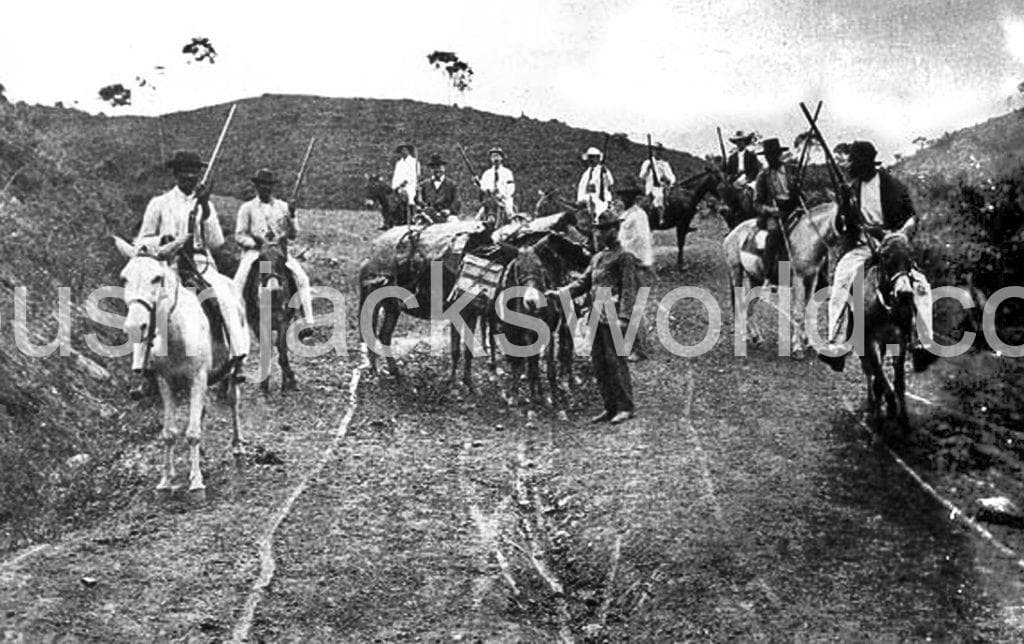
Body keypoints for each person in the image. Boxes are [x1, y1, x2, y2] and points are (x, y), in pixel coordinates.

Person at [130, 150, 248, 399]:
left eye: (194, 172)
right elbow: (142, 240)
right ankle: (143, 369)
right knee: (148, 308)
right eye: (184, 171)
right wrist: (163, 240)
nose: (189, 177)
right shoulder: (159, 204)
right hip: (167, 265)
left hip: (199, 263)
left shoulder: (205, 203)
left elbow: (216, 242)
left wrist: (205, 209)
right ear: (175, 174)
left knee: (224, 299)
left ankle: (235, 358)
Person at [819, 140, 936, 372]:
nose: (852, 167)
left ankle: (924, 343)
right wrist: (845, 209)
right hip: (862, 247)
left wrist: (895, 236)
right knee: (841, 280)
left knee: (921, 286)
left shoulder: (893, 187)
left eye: (856, 163)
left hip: (892, 246)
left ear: (867, 163)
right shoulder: (852, 189)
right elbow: (843, 227)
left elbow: (911, 218)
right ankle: (836, 343)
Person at [552, 208, 639, 424]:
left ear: (616, 230)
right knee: (599, 361)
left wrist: (625, 317)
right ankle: (609, 406)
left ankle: (625, 406)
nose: (602, 234)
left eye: (607, 230)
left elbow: (629, 288)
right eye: (600, 230)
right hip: (597, 313)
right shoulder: (598, 257)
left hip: (613, 313)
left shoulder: (624, 257)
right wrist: (562, 292)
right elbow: (584, 282)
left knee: (615, 359)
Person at [233, 168, 315, 339]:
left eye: (268, 185)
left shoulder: (284, 207)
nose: (265, 188)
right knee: (238, 282)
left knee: (301, 278)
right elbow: (239, 235)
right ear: (256, 186)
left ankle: (306, 320)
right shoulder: (247, 208)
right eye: (262, 184)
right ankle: (238, 321)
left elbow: (293, 234)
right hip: (257, 254)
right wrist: (255, 243)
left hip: (279, 253)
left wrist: (292, 215)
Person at [615, 175, 653, 362]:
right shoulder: (626, 215)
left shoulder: (638, 216)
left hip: (636, 262)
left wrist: (619, 249)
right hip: (628, 262)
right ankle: (630, 345)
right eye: (622, 196)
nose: (623, 199)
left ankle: (640, 349)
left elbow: (638, 240)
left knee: (636, 306)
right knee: (628, 304)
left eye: (627, 196)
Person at [753, 137, 799, 287]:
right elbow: (757, 203)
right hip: (775, 213)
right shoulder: (763, 176)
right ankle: (769, 276)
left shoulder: (791, 170)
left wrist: (799, 200)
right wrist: (771, 210)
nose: (770, 158)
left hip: (793, 209)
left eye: (772, 154)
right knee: (774, 237)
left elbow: (798, 193)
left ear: (778, 154)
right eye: (767, 156)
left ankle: (820, 276)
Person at [638, 142, 676, 225]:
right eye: (656, 150)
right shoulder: (647, 163)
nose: (658, 152)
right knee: (659, 196)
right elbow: (641, 176)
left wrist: (668, 179)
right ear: (653, 151)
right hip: (652, 187)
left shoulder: (665, 164)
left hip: (664, 187)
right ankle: (660, 218)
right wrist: (647, 169)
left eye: (660, 150)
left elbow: (672, 178)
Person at [477, 146, 515, 224]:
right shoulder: (487, 173)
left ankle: (513, 225)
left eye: (498, 156)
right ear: (490, 159)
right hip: (491, 199)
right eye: (493, 156)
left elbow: (511, 187)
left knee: (509, 212)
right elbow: (483, 187)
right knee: (478, 216)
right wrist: (479, 184)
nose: (495, 159)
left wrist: (502, 195)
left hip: (504, 199)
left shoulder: (507, 172)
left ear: (501, 158)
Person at [417, 154, 460, 220]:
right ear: (430, 169)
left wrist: (449, 210)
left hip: (446, 216)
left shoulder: (452, 185)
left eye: (439, 166)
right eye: (434, 167)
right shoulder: (423, 185)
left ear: (444, 168)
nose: (437, 169)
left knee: (453, 222)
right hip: (428, 217)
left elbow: (457, 201)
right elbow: (418, 201)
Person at [576, 146, 614, 217]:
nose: (592, 160)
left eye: (594, 157)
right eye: (590, 157)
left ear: (598, 158)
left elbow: (610, 182)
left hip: (601, 202)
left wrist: (605, 173)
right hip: (588, 203)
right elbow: (582, 188)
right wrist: (580, 200)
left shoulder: (603, 170)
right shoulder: (586, 173)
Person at [391, 143, 419, 223]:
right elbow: (396, 175)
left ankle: (411, 215)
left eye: (405, 150)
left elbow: (414, 174)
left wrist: (405, 182)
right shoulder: (399, 163)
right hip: (399, 185)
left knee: (410, 195)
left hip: (410, 184)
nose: (403, 152)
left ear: (408, 151)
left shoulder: (414, 162)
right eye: (401, 150)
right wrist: (395, 186)